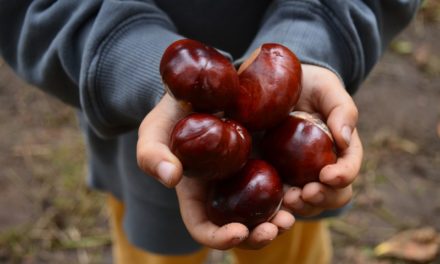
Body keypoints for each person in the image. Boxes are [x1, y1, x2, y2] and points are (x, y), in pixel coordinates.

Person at [0, 0, 420, 263]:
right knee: (155, 252)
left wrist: (317, 31)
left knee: (289, 248)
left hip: (283, 174)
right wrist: (127, 56)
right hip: (143, 142)